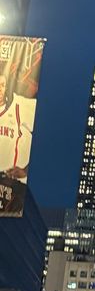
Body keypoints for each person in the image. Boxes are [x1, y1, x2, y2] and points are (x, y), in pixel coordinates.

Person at [0, 66, 36, 214]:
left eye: (2, 85)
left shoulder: (19, 106)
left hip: (10, 185)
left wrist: (26, 170)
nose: (0, 89)